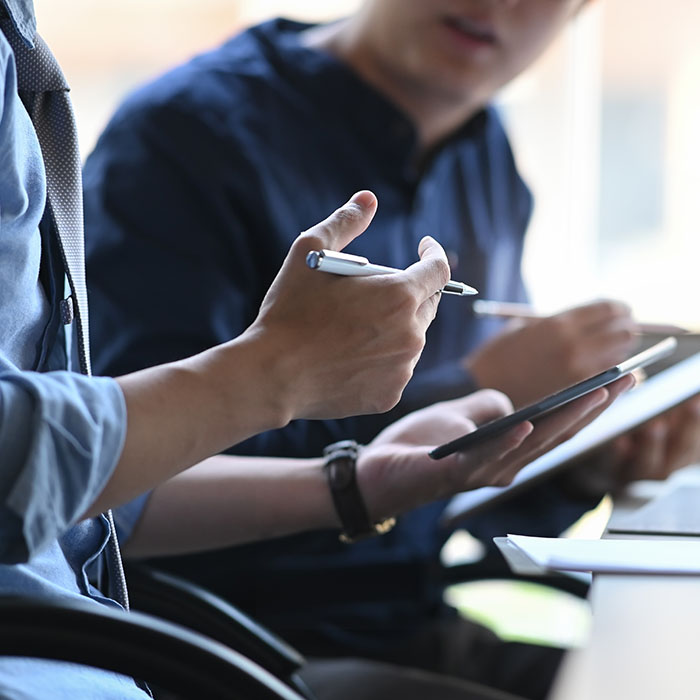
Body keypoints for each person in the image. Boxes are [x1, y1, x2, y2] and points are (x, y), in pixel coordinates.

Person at [0, 1, 636, 698]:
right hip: (242, 643)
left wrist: (585, 462)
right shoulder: (187, 137)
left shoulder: (488, 160)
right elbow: (114, 476)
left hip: (403, 619)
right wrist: (464, 383)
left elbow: (97, 480)